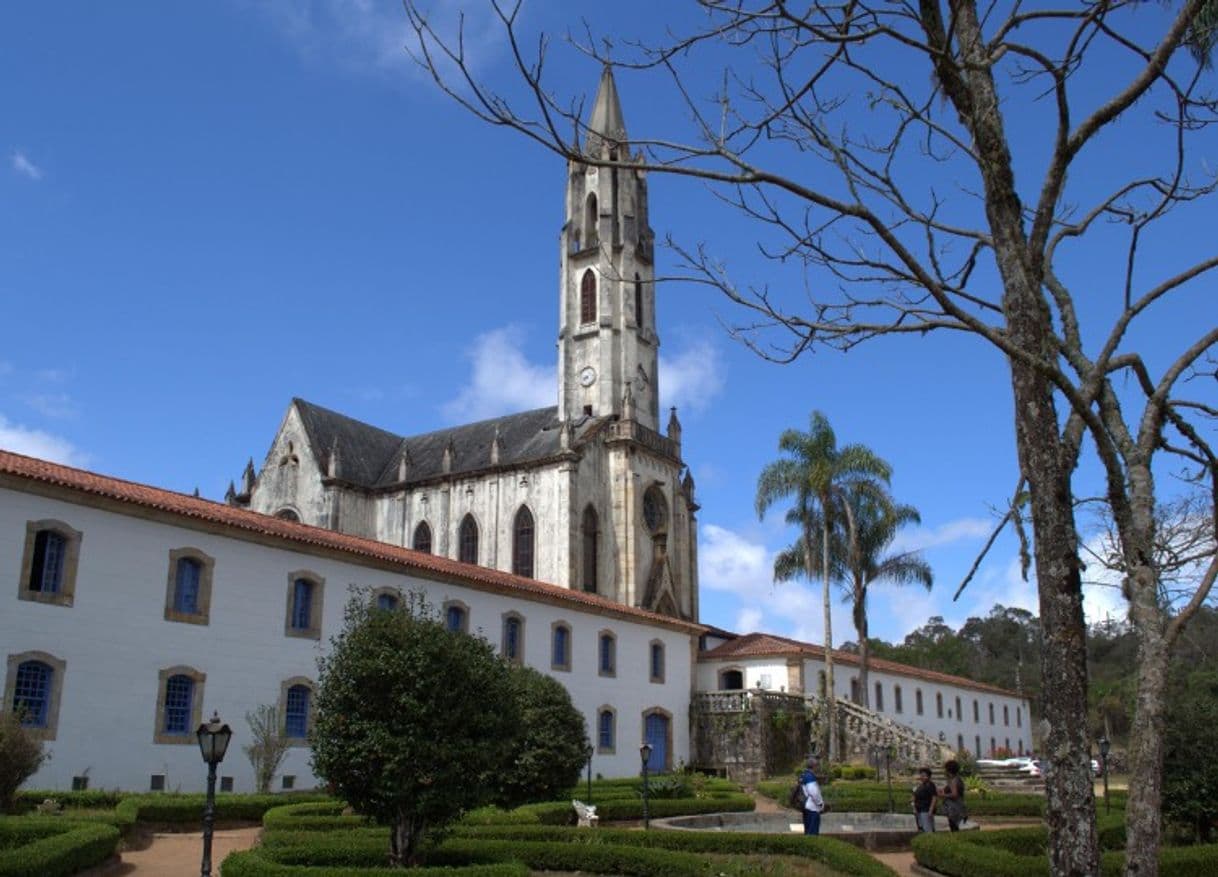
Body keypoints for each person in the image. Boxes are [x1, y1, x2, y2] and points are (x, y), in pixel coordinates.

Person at [798, 756, 827, 835]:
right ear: (814, 766)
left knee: (808, 831)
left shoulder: (804, 775)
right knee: (812, 833)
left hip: (806, 806)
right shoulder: (810, 777)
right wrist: (820, 803)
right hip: (812, 808)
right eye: (817, 765)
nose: (818, 768)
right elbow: (814, 792)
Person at [938, 759, 967, 831]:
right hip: (959, 805)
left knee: (954, 827)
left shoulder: (953, 781)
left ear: (948, 770)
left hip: (954, 807)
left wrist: (942, 795)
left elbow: (955, 794)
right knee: (954, 827)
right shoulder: (957, 779)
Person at [911, 767, 937, 833]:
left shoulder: (930, 785)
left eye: (924, 776)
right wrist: (914, 805)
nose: (922, 777)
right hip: (919, 809)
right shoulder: (922, 785)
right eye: (921, 775)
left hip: (926, 810)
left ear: (929, 776)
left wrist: (931, 810)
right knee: (922, 827)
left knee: (927, 828)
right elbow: (915, 795)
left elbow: (934, 798)